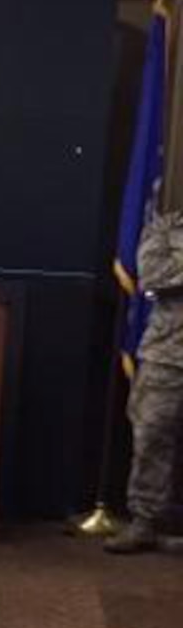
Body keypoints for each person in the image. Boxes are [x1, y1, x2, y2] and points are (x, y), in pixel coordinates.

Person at [112, 208, 183, 554]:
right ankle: (146, 522)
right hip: (167, 354)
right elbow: (152, 275)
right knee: (151, 434)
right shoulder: (166, 226)